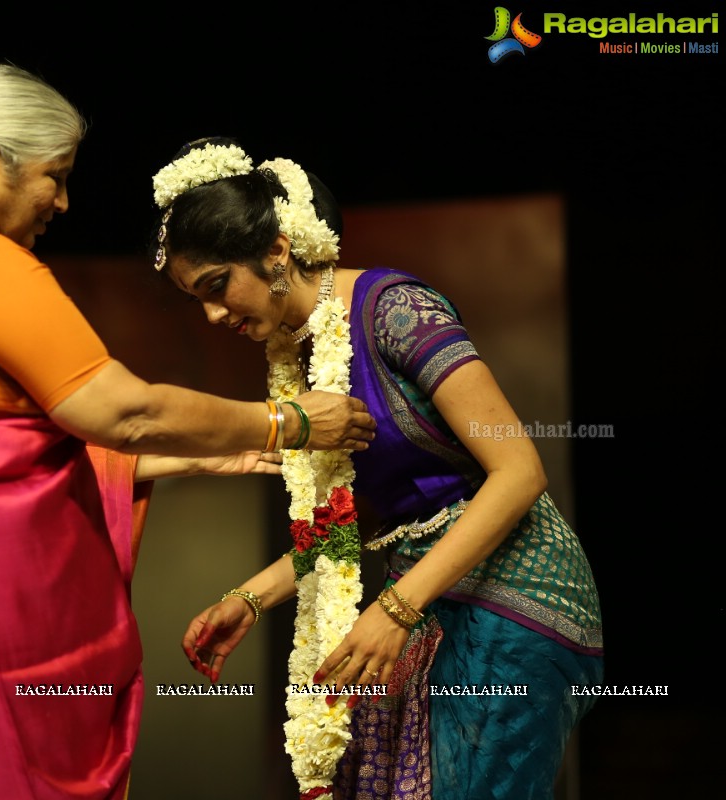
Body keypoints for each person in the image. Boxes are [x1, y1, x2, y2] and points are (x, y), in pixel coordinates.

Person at [0, 69, 377, 800]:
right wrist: (290, 421)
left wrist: (194, 455)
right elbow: (122, 411)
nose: (64, 202)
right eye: (56, 176)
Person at [149, 138, 604, 800]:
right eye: (197, 300)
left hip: (513, 594)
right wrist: (249, 597)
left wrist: (395, 607)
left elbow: (520, 470)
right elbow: (346, 525)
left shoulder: (394, 309)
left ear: (277, 253)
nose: (214, 314)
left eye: (218, 286)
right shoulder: (298, 362)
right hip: (424, 598)